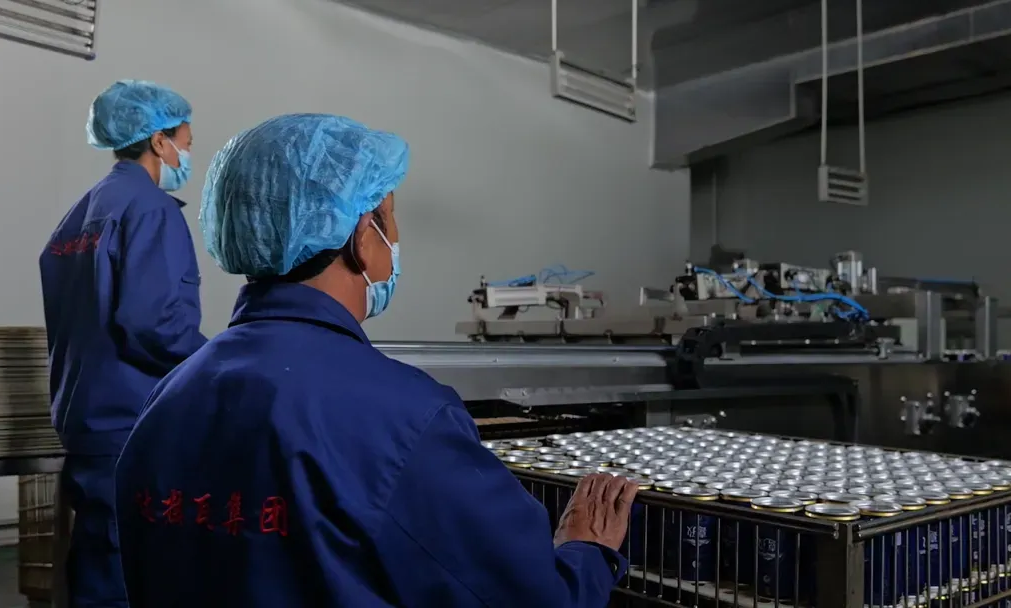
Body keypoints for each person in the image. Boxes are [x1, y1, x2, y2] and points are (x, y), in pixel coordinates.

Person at [114, 113, 638, 607]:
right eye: (388, 218)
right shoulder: (406, 418)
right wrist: (587, 554)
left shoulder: (169, 396)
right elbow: (535, 597)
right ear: (363, 239)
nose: (395, 239)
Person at [39, 80, 208, 607]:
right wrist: (215, 363)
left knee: (97, 558)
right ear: (159, 141)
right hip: (129, 417)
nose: (188, 152)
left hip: (84, 415)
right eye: (185, 141)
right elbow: (153, 322)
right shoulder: (151, 209)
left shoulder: (81, 213)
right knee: (125, 569)